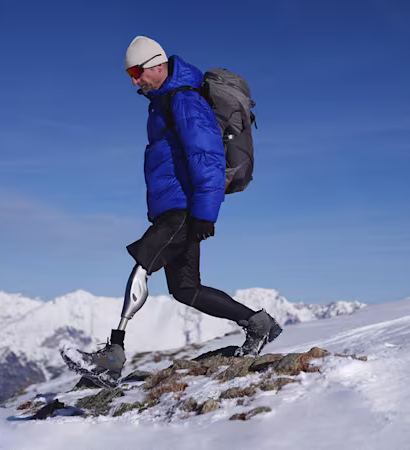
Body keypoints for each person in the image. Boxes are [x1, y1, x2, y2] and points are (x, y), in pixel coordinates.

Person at [62, 36, 282, 383]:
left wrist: (205, 213)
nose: (134, 80)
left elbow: (206, 156)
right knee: (185, 288)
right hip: (178, 207)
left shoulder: (185, 100)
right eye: (129, 74)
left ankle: (111, 358)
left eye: (137, 71)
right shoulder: (167, 101)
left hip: (182, 209)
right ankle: (259, 324)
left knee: (141, 266)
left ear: (158, 65)